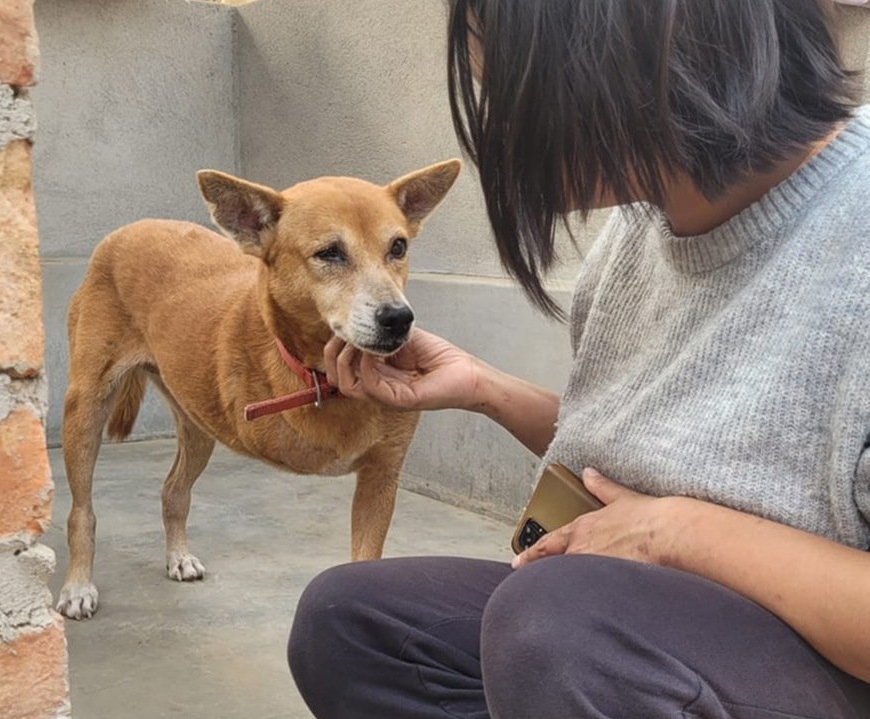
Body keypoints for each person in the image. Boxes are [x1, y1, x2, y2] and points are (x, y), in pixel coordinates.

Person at [288, 1, 870, 717]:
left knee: (562, 629)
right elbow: (647, 454)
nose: (497, 132)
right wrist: (484, 388)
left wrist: (677, 530)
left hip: (818, 662)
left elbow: (661, 521)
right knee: (350, 621)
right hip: (652, 635)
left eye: (514, 88)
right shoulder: (636, 233)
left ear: (645, 47)